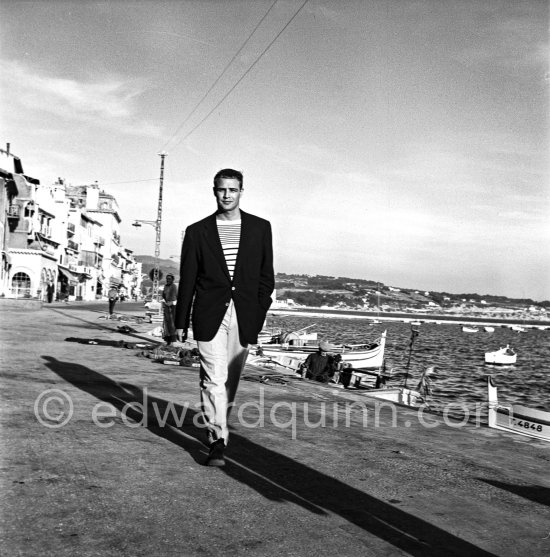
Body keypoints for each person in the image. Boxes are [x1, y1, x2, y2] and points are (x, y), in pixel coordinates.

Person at [175, 168, 274, 467]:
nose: (227, 195)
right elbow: (188, 279)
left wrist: (256, 317)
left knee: (230, 378)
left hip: (243, 314)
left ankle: (219, 428)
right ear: (214, 191)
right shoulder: (197, 231)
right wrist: (180, 321)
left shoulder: (260, 228)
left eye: (233, 189)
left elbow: (265, 279)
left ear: (241, 191)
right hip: (208, 312)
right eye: (222, 189)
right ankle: (217, 439)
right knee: (213, 377)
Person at [162, 274, 178, 345]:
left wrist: (172, 302)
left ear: (172, 279)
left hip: (173, 307)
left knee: (172, 324)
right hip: (166, 306)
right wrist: (164, 302)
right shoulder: (165, 286)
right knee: (166, 324)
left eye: (169, 279)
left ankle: (172, 341)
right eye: (167, 279)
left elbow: (176, 296)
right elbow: (163, 295)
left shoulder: (174, 286)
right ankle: (167, 340)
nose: (168, 280)